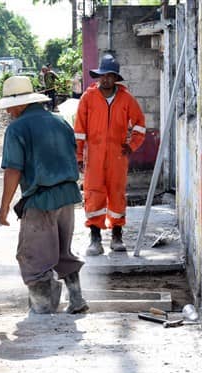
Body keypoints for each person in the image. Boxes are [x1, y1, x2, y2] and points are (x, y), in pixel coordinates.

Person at [0, 76, 88, 315]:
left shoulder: (17, 128)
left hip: (40, 200)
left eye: (9, 107)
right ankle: (76, 299)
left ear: (18, 104)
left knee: (32, 255)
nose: (8, 112)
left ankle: (43, 306)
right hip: (67, 196)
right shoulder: (60, 121)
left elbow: (14, 170)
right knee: (61, 250)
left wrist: (4, 207)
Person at [74, 54, 146, 256]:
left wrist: (132, 146)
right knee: (93, 194)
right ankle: (95, 239)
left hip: (117, 156)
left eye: (109, 76)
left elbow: (140, 125)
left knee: (116, 194)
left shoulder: (126, 99)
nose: (105, 79)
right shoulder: (88, 98)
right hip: (94, 156)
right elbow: (79, 130)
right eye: (102, 75)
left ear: (116, 78)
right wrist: (79, 156)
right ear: (98, 77)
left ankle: (117, 236)